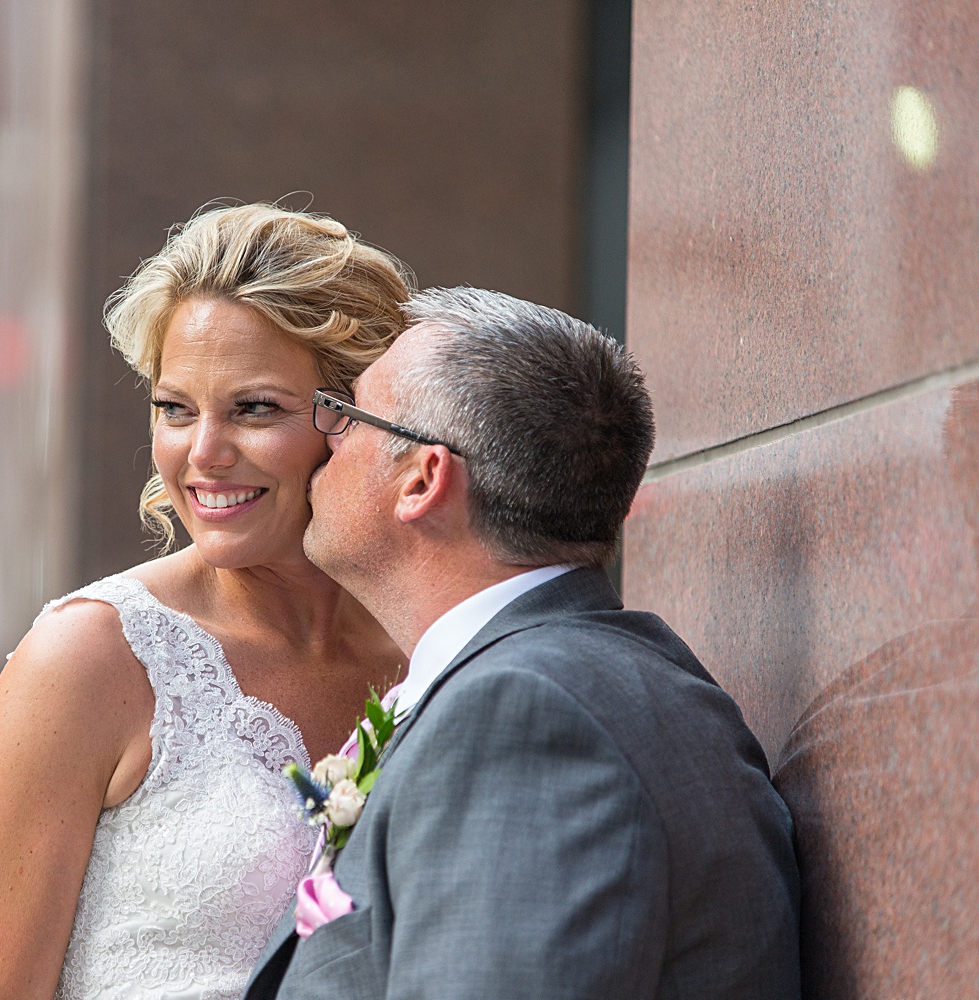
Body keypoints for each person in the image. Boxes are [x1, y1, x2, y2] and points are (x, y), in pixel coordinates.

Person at [245, 287, 801, 1000]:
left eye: (348, 414)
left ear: (421, 478)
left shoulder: (525, 717)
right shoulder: (585, 677)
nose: (324, 440)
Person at [0, 204, 414, 1000]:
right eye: (175, 408)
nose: (205, 453)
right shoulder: (90, 660)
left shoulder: (424, 654)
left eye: (254, 408)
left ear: (355, 417)